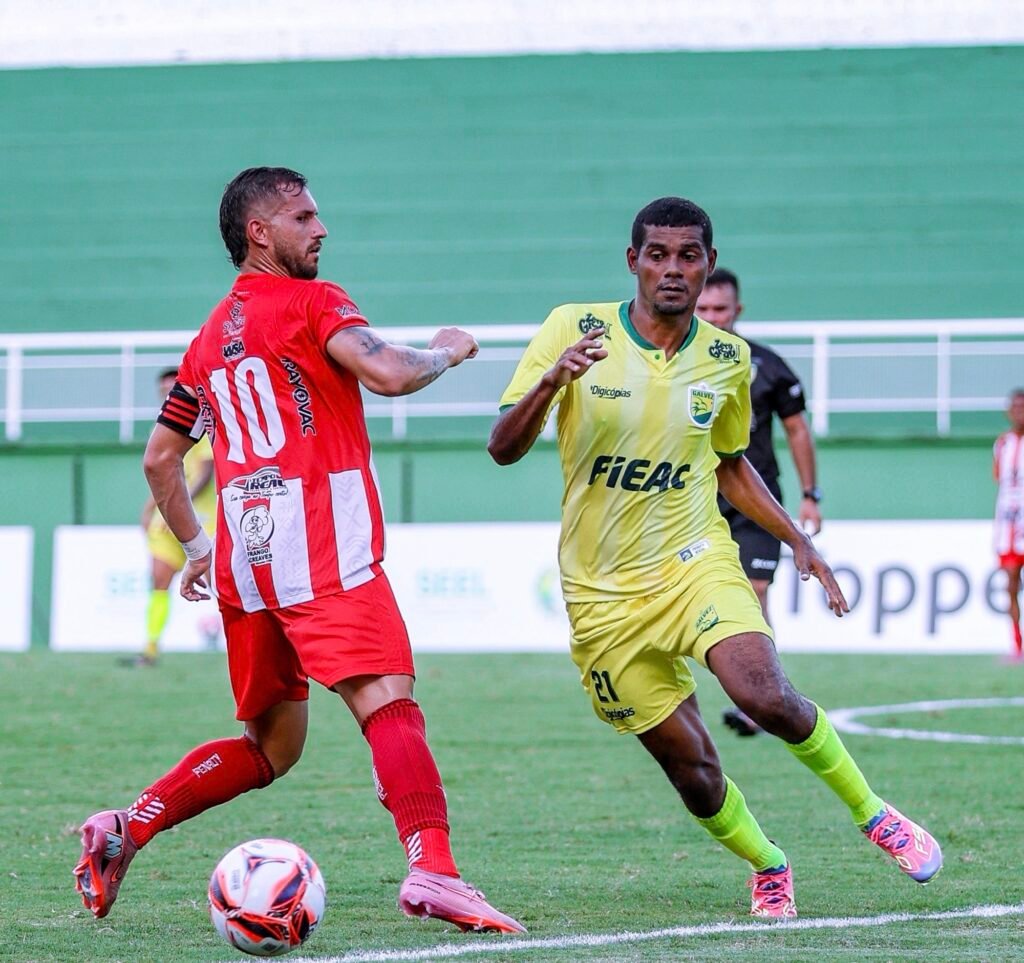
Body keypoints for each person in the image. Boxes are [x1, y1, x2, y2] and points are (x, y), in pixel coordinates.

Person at [74, 167, 524, 935]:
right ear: (260, 231)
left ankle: (127, 825)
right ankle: (435, 872)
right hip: (321, 545)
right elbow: (389, 372)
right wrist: (447, 350)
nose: (321, 228)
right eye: (304, 216)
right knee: (388, 703)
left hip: (245, 562)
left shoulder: (207, 339)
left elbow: (159, 459)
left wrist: (197, 549)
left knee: (271, 747)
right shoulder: (314, 302)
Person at [488, 196, 942, 918]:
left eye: (688, 255)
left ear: (708, 265)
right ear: (632, 261)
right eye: (657, 254)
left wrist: (798, 538)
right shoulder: (573, 328)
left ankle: (874, 814)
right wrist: (551, 383)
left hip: (693, 561)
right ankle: (768, 863)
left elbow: (730, 462)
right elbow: (502, 448)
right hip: (601, 596)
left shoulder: (729, 359)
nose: (673, 268)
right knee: (694, 772)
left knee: (763, 694)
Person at [695, 269, 821, 736]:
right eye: (704, 309)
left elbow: (797, 430)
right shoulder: (672, 362)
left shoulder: (765, 365)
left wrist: (810, 495)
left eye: (720, 309)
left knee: (754, 591)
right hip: (692, 500)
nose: (712, 317)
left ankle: (761, 701)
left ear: (738, 310)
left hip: (754, 499)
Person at [126, 367, 217, 667]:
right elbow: (162, 474)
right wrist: (150, 508)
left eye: (172, 388)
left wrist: (179, 503)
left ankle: (240, 646)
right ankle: (150, 649)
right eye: (164, 389)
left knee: (220, 586)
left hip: (204, 520)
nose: (168, 393)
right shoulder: (163, 428)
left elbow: (205, 471)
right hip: (167, 522)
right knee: (159, 580)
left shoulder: (201, 420)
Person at [993, 388, 1024, 661]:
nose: (1019, 413)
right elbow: (998, 480)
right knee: (1011, 584)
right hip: (1008, 526)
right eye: (1015, 407)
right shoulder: (1002, 444)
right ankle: (1017, 645)